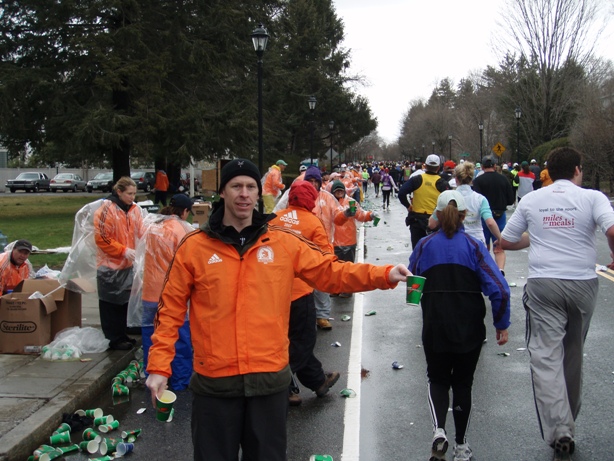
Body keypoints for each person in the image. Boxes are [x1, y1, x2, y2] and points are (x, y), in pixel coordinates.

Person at [145, 158, 410, 461]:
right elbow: (170, 311)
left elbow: (331, 272)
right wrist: (158, 367)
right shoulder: (194, 246)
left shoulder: (283, 242)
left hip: (268, 384)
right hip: (214, 386)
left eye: (250, 187)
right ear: (222, 193)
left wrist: (384, 275)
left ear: (258, 194)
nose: (243, 194)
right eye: (236, 186)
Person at [500, 147, 614, 461]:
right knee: (573, 351)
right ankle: (568, 418)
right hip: (582, 283)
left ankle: (560, 426)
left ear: (547, 171)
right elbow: (612, 230)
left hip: (544, 284)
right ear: (578, 169)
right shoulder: (592, 198)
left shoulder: (533, 199)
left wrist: (538, 234)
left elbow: (507, 240)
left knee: (545, 355)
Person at [409, 190, 510, 461]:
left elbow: (412, 287)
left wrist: (422, 302)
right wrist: (501, 323)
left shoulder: (424, 246)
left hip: (435, 324)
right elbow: (500, 289)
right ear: (466, 215)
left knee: (437, 379)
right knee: (463, 384)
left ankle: (439, 430)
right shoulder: (475, 247)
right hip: (469, 326)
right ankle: (462, 446)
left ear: (436, 215)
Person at [270, 181, 340, 406]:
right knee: (303, 342)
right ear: (311, 200)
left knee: (284, 339)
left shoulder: (274, 219)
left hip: (273, 291)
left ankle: (316, 381)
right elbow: (324, 257)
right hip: (300, 292)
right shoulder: (313, 222)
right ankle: (282, 382)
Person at [128, 193, 194, 390]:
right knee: (180, 338)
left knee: (151, 336)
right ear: (185, 211)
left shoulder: (152, 227)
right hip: (172, 294)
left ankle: (153, 376)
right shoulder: (182, 229)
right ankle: (180, 381)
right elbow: (188, 262)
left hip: (149, 292)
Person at [94, 176, 143, 350]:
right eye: (129, 194)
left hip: (127, 264)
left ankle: (122, 334)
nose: (132, 197)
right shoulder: (106, 210)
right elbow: (101, 238)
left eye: (134, 194)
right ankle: (114, 338)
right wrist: (123, 250)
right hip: (109, 265)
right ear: (119, 192)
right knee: (110, 303)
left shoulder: (134, 209)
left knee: (124, 302)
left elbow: (141, 230)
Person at [429, 162, 504, 249]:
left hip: (455, 242)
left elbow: (432, 224)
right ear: (472, 180)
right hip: (476, 241)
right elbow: (490, 223)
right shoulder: (480, 199)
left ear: (456, 179)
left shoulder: (447, 198)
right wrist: (499, 238)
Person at [330, 179, 378, 297]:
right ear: (333, 192)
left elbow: (361, 215)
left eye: (341, 190)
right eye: (337, 191)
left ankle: (347, 290)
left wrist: (370, 215)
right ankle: (336, 289)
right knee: (334, 268)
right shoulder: (329, 203)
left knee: (348, 268)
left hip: (349, 240)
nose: (339, 193)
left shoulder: (351, 202)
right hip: (333, 241)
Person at [472, 157, 515, 275]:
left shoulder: (478, 181)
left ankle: (484, 270)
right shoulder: (503, 179)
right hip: (500, 215)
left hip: (484, 216)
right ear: (495, 166)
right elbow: (511, 200)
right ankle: (500, 270)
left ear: (482, 167)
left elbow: (475, 199)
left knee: (484, 245)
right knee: (499, 244)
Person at [398, 154, 450, 249]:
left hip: (417, 220)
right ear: (438, 167)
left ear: (425, 166)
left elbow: (401, 193)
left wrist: (408, 206)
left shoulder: (417, 180)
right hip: (435, 221)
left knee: (418, 251)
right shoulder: (442, 183)